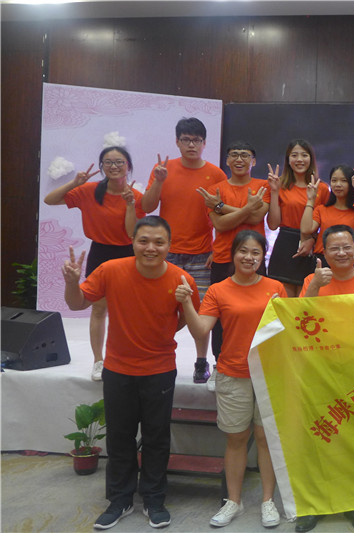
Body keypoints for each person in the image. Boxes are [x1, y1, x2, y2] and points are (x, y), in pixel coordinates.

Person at [62, 216, 200, 530]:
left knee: (156, 437)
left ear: (169, 245)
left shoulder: (182, 279)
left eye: (159, 242)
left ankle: (154, 500)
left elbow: (186, 319)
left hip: (160, 370)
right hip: (118, 370)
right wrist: (72, 282)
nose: (151, 248)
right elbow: (78, 303)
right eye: (144, 241)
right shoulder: (110, 270)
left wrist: (163, 332)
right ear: (133, 242)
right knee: (120, 437)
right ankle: (120, 499)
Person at [175, 230, 286, 529]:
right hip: (232, 374)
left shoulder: (275, 288)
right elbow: (201, 330)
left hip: (269, 374)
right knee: (236, 439)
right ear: (233, 254)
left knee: (265, 439)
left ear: (263, 257)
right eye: (243, 251)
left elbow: (287, 330)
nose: (249, 257)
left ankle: (267, 501)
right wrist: (186, 304)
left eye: (255, 252)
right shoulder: (218, 290)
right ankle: (233, 502)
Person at [296, 225, 354, 533]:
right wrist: (316, 286)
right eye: (335, 248)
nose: (342, 253)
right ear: (324, 252)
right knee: (319, 437)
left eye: (347, 247)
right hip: (320, 370)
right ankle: (315, 504)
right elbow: (300, 321)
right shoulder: (313, 281)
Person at [44, 146, 144, 381]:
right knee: (99, 308)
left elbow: (132, 233)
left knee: (130, 310)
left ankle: (128, 359)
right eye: (108, 162)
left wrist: (130, 204)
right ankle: (99, 361)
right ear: (101, 167)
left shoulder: (135, 196)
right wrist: (74, 183)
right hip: (100, 252)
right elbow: (50, 200)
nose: (113, 166)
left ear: (128, 166)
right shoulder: (89, 191)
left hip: (128, 254)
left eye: (119, 162)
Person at [141, 117, 227, 384]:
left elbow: (222, 216)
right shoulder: (163, 169)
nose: (192, 145)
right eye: (186, 140)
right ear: (177, 142)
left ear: (204, 143)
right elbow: (147, 206)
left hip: (202, 254)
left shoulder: (216, 174)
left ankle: (201, 362)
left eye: (197, 140)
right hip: (166, 254)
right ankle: (154, 355)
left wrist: (217, 248)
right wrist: (158, 181)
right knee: (159, 308)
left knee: (201, 313)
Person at [196, 141, 270, 391]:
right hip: (222, 259)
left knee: (258, 314)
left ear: (253, 161)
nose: (239, 159)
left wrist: (220, 207)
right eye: (234, 155)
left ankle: (257, 364)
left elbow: (257, 217)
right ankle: (219, 364)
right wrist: (247, 208)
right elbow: (221, 225)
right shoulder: (214, 190)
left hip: (254, 259)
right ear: (227, 160)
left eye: (245, 155)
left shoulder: (262, 186)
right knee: (220, 316)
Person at [266, 139, 330, 297]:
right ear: (288, 160)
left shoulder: (321, 188)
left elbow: (326, 223)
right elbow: (273, 225)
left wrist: (312, 240)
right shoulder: (279, 185)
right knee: (285, 303)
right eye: (294, 155)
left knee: (305, 302)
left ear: (311, 159)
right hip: (285, 245)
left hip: (310, 247)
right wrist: (274, 192)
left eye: (304, 155)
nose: (299, 159)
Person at [301, 165, 354, 267]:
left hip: (348, 262)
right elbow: (306, 229)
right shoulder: (322, 209)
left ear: (352, 183)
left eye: (343, 181)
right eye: (334, 180)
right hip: (323, 262)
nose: (338, 184)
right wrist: (310, 200)